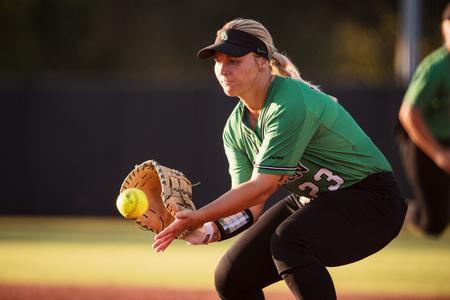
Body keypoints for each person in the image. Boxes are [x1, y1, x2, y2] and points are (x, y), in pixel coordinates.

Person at [153, 18, 407, 300]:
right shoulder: (235, 128)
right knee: (232, 278)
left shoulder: (289, 102)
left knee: (289, 242)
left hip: (373, 202)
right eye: (218, 60)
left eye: (234, 60)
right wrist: (208, 230)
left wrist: (198, 216)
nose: (223, 69)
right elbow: (249, 203)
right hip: (316, 201)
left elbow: (262, 187)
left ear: (263, 61)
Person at [397, 2, 450, 237]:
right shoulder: (435, 67)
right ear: (444, 28)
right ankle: (398, 212)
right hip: (423, 141)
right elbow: (408, 114)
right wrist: (439, 153)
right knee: (433, 223)